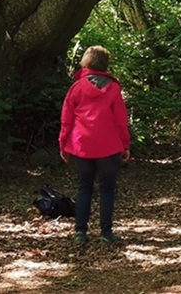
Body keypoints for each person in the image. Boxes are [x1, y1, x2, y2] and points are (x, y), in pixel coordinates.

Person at [60, 45, 132, 245]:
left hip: (82, 145)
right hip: (108, 146)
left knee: (84, 188)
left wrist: (63, 144)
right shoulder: (113, 88)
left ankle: (80, 232)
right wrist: (125, 145)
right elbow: (120, 120)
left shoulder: (77, 87)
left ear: (86, 62)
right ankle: (106, 233)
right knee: (107, 189)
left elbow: (66, 119)